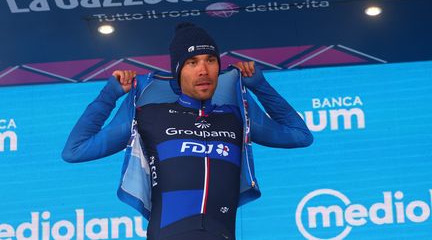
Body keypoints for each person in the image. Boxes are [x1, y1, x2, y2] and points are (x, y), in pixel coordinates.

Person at [62, 22, 313, 240]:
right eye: (192, 62)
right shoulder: (148, 115)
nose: (203, 70)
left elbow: (300, 135)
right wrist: (110, 95)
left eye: (210, 60)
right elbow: (75, 150)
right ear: (178, 71)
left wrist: (260, 86)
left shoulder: (236, 117)